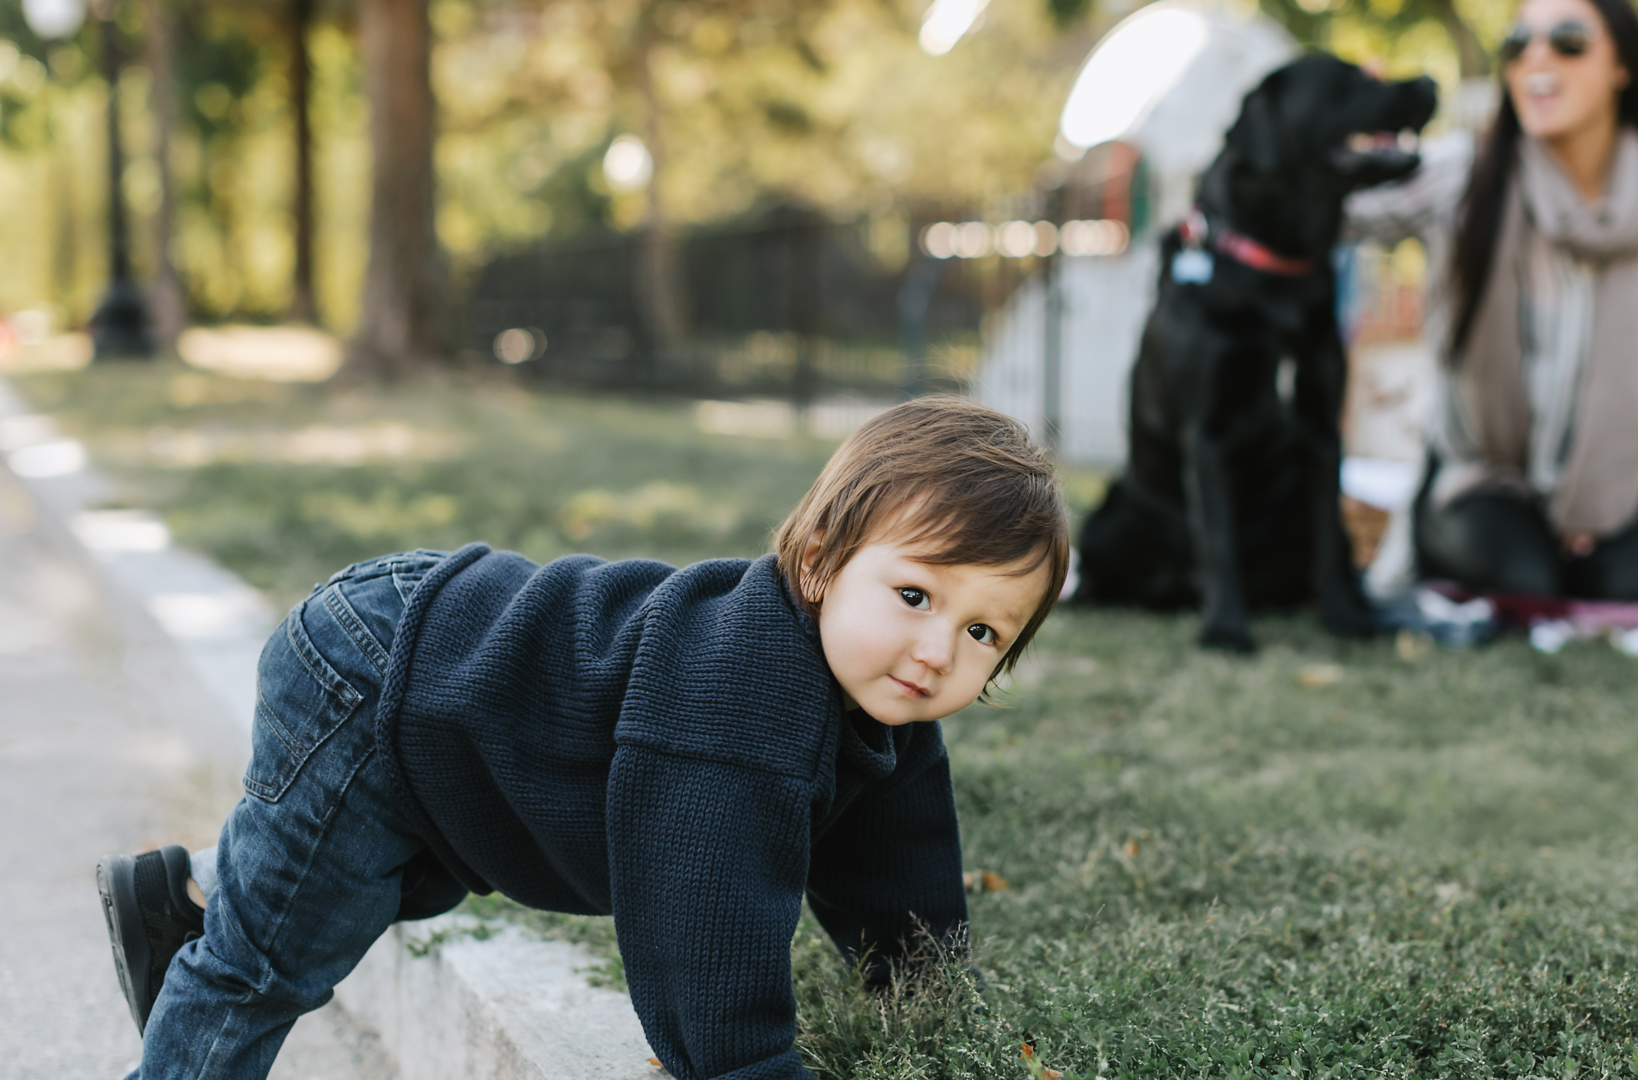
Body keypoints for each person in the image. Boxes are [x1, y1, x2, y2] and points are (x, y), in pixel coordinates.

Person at [94, 397, 1070, 1080]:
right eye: (914, 595)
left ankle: (187, 894)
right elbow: (704, 939)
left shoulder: (882, 697)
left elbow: (901, 876)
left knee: (359, 887)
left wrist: (931, 1008)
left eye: (984, 631)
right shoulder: (743, 707)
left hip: (465, 722)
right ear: (818, 564)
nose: (938, 648)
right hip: (376, 672)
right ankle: (211, 940)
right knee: (274, 959)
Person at [1347, 0, 1638, 603]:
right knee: (1521, 580)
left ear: (1623, 65)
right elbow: (1340, 215)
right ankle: (1448, 532)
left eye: (1567, 41)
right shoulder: (1465, 174)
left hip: (1622, 468)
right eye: (1517, 44)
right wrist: (1345, 133)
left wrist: (1622, 467)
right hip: (1481, 473)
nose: (1536, 58)